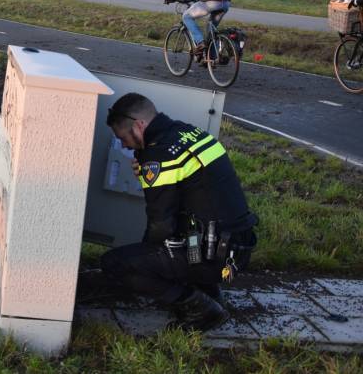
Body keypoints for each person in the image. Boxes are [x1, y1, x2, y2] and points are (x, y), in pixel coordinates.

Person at [101, 93, 258, 331]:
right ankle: (208, 293)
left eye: (123, 137)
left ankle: (202, 310)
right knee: (181, 236)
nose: (123, 145)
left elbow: (160, 226)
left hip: (213, 255)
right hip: (236, 247)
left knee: (116, 263)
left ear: (139, 125)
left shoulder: (159, 154)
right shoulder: (188, 132)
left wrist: (144, 262)